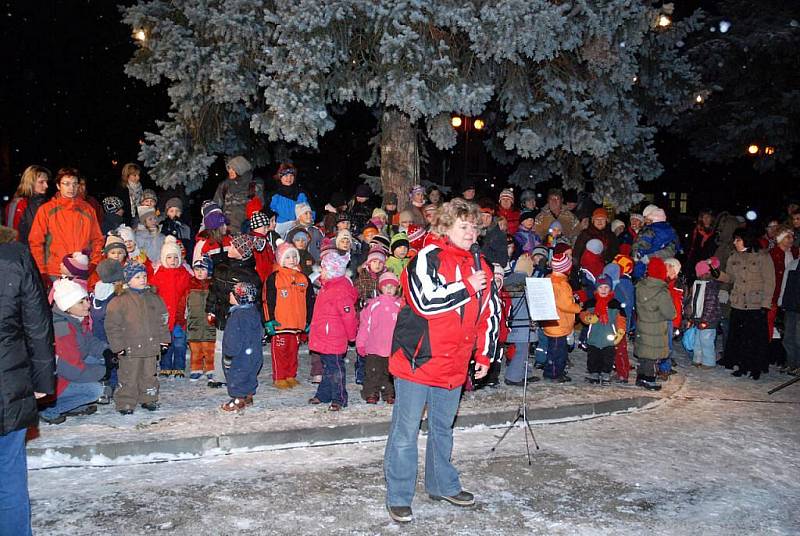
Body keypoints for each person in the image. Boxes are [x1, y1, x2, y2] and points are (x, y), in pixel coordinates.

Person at [384, 198, 500, 523]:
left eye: (473, 226)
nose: (470, 232)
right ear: (446, 227)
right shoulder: (426, 256)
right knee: (406, 431)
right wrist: (465, 286)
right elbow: (425, 301)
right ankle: (399, 495)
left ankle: (441, 484)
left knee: (442, 428)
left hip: (454, 363)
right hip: (417, 360)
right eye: (463, 226)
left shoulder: (481, 265)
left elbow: (489, 313)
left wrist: (485, 353)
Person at [0, 224, 54, 536]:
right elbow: (37, 323)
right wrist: (42, 380)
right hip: (8, 380)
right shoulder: (16, 256)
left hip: (9, 378)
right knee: (8, 474)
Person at [41, 279, 111, 424]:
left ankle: (72, 404)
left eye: (86, 299)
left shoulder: (75, 318)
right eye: (81, 302)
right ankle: (49, 409)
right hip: (56, 381)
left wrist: (106, 352)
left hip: (70, 368)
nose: (88, 304)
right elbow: (72, 371)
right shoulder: (62, 329)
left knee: (100, 360)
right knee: (96, 391)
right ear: (67, 306)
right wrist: (103, 371)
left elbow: (90, 342)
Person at [105, 262, 171, 414]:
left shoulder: (154, 298)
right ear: (128, 280)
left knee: (149, 375)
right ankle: (126, 402)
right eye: (137, 277)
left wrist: (164, 339)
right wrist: (118, 346)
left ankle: (149, 398)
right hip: (130, 348)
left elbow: (162, 320)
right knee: (129, 376)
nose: (142, 279)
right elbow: (112, 326)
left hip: (151, 346)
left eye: (144, 276)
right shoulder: (119, 301)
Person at [715, 229, 775, 380]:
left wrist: (766, 303)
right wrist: (718, 275)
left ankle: (756, 368)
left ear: (746, 240)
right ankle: (742, 365)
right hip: (738, 304)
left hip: (755, 303)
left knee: (754, 339)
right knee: (740, 338)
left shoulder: (762, 256)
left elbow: (769, 281)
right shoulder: (733, 257)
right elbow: (730, 278)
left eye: (738, 239)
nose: (735, 242)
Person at [205, 233, 262, 388]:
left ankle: (236, 375)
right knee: (219, 345)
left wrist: (256, 319)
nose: (230, 248)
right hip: (222, 313)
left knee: (237, 346)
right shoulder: (221, 267)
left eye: (234, 247)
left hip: (239, 317)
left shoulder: (250, 275)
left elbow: (254, 300)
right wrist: (210, 309)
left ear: (242, 253)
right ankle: (219, 375)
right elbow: (214, 290)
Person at [28, 168, 104, 280]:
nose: (71, 188)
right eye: (66, 184)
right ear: (58, 186)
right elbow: (36, 242)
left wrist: (94, 263)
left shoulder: (87, 210)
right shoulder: (46, 210)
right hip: (56, 272)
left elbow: (97, 239)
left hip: (82, 269)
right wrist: (42, 271)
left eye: (74, 184)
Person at [308, 246, 358, 411]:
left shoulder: (340, 290)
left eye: (323, 268)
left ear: (332, 271)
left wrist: (352, 335)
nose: (320, 271)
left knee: (335, 368)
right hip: (325, 335)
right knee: (328, 366)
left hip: (334, 337)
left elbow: (349, 316)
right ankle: (324, 394)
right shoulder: (327, 286)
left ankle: (339, 397)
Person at [263, 242, 313, 389]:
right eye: (287, 257)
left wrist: (309, 320)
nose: (291, 260)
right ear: (280, 259)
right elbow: (267, 300)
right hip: (280, 324)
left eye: (294, 256)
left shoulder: (303, 278)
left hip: (297, 325)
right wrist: (268, 320)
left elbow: (310, 301)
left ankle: (291, 375)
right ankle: (279, 377)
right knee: (280, 352)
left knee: (292, 352)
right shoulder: (275, 278)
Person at [356, 271, 402, 404]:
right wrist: (361, 343)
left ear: (397, 288)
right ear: (380, 287)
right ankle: (371, 393)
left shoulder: (400, 305)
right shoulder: (373, 305)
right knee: (373, 372)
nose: (389, 289)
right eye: (386, 286)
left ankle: (389, 393)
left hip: (393, 347)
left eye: (392, 286)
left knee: (389, 373)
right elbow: (365, 326)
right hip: (374, 346)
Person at [150, 236, 192, 378]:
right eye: (169, 258)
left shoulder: (184, 274)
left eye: (175, 257)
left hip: (180, 316)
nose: (173, 261)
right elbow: (153, 294)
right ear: (163, 258)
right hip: (164, 316)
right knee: (165, 343)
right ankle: (165, 367)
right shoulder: (159, 275)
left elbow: (188, 291)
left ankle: (179, 367)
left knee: (179, 343)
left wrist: (187, 309)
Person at [220, 282, 264, 411]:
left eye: (233, 293)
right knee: (250, 375)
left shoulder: (237, 316)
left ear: (240, 297)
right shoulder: (253, 311)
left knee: (236, 377)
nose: (230, 295)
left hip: (240, 356)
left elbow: (232, 337)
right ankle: (248, 395)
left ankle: (238, 400)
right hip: (254, 353)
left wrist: (229, 354)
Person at [634, 258, 676, 391]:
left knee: (645, 353)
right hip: (656, 327)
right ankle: (650, 379)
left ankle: (641, 376)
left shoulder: (640, 287)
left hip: (643, 324)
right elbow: (670, 313)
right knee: (653, 355)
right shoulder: (662, 292)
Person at [541, 250, 581, 382]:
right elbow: (566, 305)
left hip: (550, 320)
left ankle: (552, 370)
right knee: (558, 352)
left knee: (553, 349)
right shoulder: (562, 285)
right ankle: (554, 374)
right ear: (566, 269)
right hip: (559, 323)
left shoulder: (549, 279)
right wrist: (578, 307)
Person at [579, 275, 626, 384]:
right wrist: (587, 317)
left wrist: (620, 331)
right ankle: (594, 373)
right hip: (594, 337)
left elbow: (621, 319)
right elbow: (582, 314)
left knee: (608, 357)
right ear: (596, 288)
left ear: (610, 289)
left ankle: (606, 373)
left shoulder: (615, 304)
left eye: (606, 287)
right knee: (593, 357)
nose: (604, 290)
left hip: (609, 337)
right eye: (601, 287)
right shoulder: (591, 303)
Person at [686, 257, 723, 369]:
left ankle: (709, 361)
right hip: (698, 317)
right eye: (699, 274)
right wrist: (691, 316)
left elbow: (710, 305)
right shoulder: (698, 285)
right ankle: (697, 358)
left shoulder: (710, 286)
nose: (701, 276)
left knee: (706, 341)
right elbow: (693, 301)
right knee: (698, 340)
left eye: (702, 273)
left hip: (709, 319)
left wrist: (705, 319)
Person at [631, 204, 681, 279]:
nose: (645, 220)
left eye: (646, 217)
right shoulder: (647, 229)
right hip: (646, 268)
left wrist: (647, 257)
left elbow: (669, 251)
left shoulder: (664, 231)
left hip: (656, 269)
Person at [4, 164, 50, 244]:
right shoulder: (18, 204)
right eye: (41, 182)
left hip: (44, 252)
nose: (46, 186)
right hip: (24, 252)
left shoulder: (48, 203)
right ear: (30, 183)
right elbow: (11, 235)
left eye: (46, 182)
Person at [187, 256, 216, 381]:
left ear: (209, 272)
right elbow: (184, 303)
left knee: (209, 350)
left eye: (202, 270)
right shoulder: (189, 286)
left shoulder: (213, 287)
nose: (199, 272)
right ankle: (196, 368)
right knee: (195, 350)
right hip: (194, 322)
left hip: (209, 324)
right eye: (197, 269)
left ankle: (210, 368)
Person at [214, 156, 262, 232]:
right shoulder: (224, 186)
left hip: (245, 232)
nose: (230, 171)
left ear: (241, 170)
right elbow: (215, 206)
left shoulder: (253, 187)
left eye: (233, 169)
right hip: (225, 232)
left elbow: (258, 212)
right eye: (229, 169)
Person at [267, 163, 311, 237]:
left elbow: (310, 211)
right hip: (280, 230)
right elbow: (269, 212)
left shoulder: (301, 194)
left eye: (291, 175)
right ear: (280, 177)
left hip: (299, 228)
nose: (289, 178)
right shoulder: (274, 196)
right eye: (286, 175)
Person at [686, 210, 718, 275]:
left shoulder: (715, 232)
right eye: (704, 217)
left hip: (708, 260)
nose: (706, 219)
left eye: (708, 217)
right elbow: (689, 244)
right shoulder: (696, 230)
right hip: (695, 259)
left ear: (711, 218)